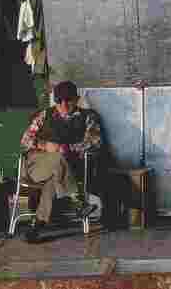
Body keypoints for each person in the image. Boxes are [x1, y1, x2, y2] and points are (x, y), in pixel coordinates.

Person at [19, 80, 102, 243]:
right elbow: (25, 140)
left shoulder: (88, 117)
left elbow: (95, 142)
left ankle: (37, 225)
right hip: (38, 165)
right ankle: (78, 201)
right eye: (59, 100)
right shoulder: (44, 115)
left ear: (77, 99)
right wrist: (44, 145)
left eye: (68, 100)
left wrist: (68, 148)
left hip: (66, 170)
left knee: (54, 177)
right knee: (57, 158)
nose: (63, 104)